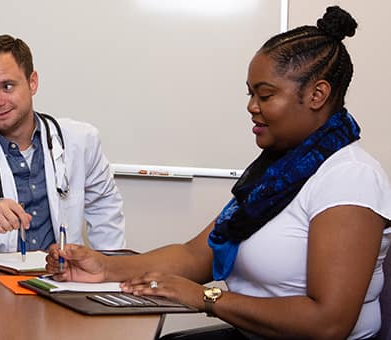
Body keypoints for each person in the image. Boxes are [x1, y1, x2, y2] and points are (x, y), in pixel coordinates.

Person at [45, 6, 390, 339]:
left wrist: (206, 298)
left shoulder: (350, 178)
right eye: (250, 93)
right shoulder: (278, 174)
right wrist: (104, 268)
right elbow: (198, 255)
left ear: (317, 94)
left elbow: (327, 323)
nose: (251, 106)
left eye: (265, 95)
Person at [0, 35, 125, 252]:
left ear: (32, 82)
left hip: (62, 276)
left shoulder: (81, 141)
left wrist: (110, 270)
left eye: (7, 86)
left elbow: (106, 211)